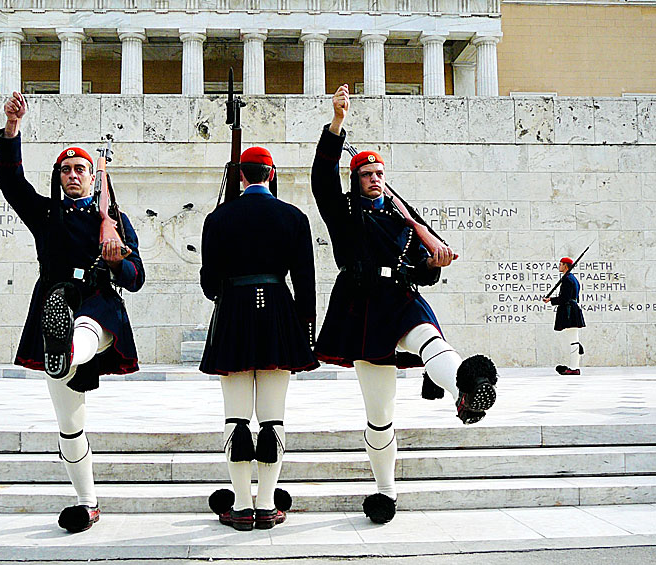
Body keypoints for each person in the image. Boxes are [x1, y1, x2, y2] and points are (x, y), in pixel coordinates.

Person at [311, 85, 498, 525]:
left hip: (402, 297)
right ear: (356, 181)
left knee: (433, 342)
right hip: (362, 307)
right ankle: (385, 491)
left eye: (379, 173)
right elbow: (321, 177)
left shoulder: (404, 218)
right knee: (381, 413)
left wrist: (434, 262)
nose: (374, 179)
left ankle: (466, 391)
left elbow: (423, 270)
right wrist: (337, 123)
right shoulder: (344, 214)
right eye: (366, 175)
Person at [0, 92, 145, 533]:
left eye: (81, 169)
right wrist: (12, 129)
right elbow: (10, 181)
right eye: (66, 169)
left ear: (92, 178)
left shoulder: (113, 218)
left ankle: (69, 348)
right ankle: (88, 502)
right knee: (69, 423)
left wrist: (117, 258)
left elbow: (136, 278)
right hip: (53, 300)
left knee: (83, 328)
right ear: (59, 177)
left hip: (97, 303)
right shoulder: (45, 213)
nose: (73, 175)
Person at [200, 146, 317, 531]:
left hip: (234, 311)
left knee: (236, 417)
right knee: (272, 417)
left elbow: (208, 282)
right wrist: (304, 328)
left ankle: (239, 505)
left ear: (241, 177)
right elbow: (305, 282)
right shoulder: (294, 217)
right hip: (279, 315)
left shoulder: (218, 218)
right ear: (270, 175)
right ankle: (266, 505)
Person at [543, 257, 585, 375]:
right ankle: (574, 363)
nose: (559, 266)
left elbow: (564, 298)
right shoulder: (572, 279)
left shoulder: (567, 279)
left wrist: (550, 300)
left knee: (573, 341)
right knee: (573, 340)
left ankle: (573, 368)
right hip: (572, 309)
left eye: (561, 264)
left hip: (569, 311)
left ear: (566, 266)